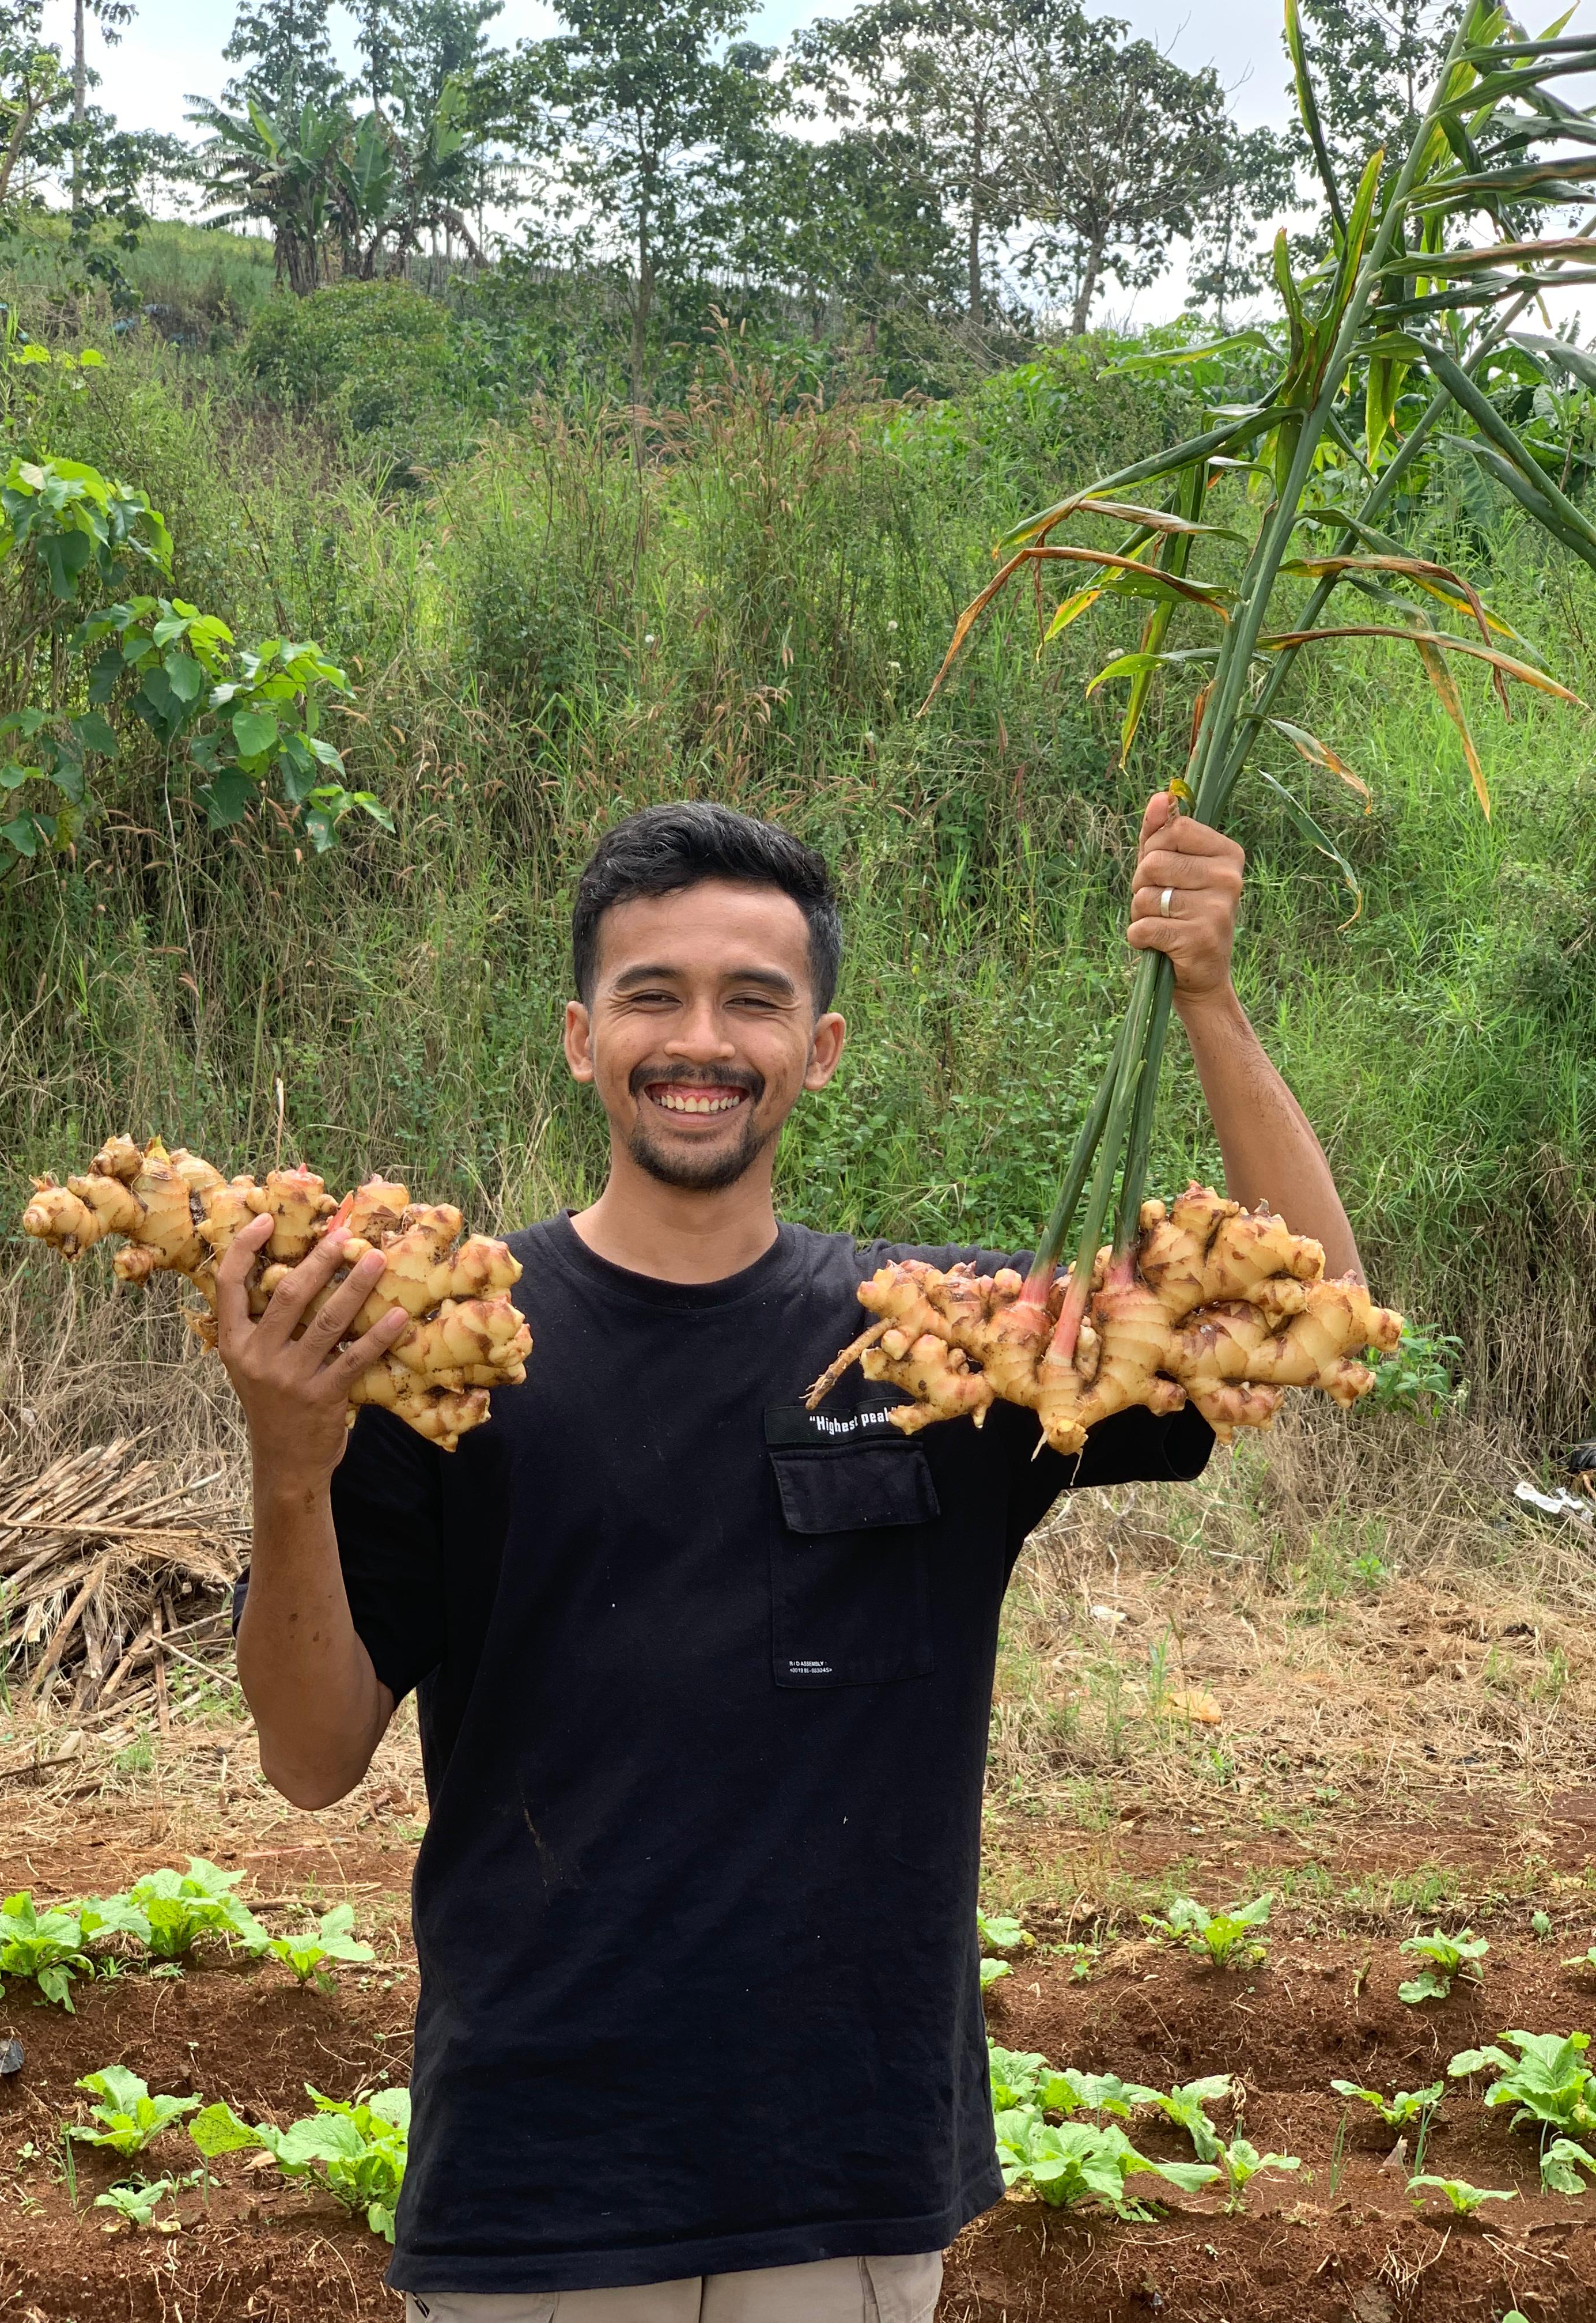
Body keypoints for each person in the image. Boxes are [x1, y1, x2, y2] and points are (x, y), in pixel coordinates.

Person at [221, 797, 1363, 2323]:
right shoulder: (444, 1355)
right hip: (540, 2195)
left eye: (753, 1001)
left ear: (819, 1048)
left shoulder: (951, 1350)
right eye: (655, 997)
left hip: (849, 2186)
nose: (704, 1041)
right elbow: (310, 1757)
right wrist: (289, 1472)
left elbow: (1318, 1325)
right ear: (582, 1037)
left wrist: (1209, 998)